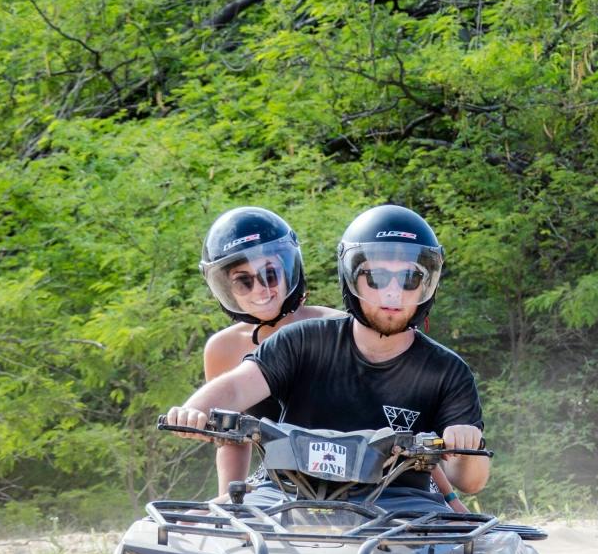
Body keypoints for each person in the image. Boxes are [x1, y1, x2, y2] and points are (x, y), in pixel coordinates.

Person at [167, 204, 488, 505]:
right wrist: (193, 412)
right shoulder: (299, 341)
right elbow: (234, 399)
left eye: (409, 278)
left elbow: (463, 476)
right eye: (376, 277)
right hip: (288, 493)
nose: (392, 292)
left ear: (426, 285)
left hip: (399, 501)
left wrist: (461, 458)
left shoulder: (446, 370)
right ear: (352, 279)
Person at [197, 207, 342, 491]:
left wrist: (446, 494)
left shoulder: (337, 327)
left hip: (371, 481)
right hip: (282, 485)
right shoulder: (223, 348)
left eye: (270, 274)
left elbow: (397, 412)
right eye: (243, 281)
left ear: (290, 270)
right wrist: (230, 499)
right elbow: (232, 438)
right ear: (226, 288)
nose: (260, 290)